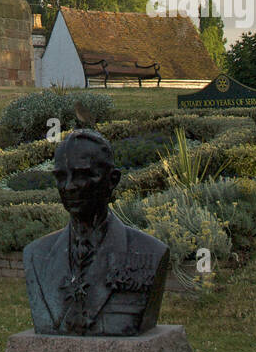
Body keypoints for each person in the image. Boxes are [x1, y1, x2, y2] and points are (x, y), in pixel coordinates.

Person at [23, 128, 169, 337]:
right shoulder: (35, 255)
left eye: (82, 175)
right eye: (62, 176)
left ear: (112, 180)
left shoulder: (150, 253)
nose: (69, 186)